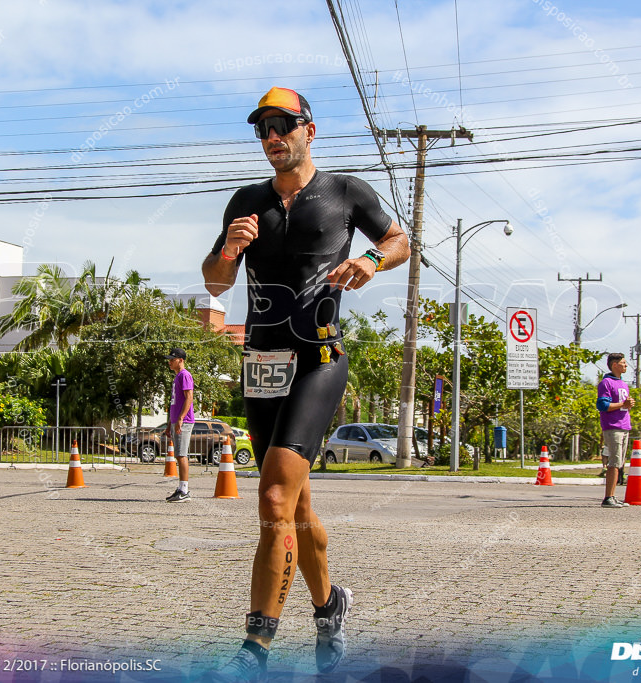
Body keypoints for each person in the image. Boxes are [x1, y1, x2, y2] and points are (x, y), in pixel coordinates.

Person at [201, 87, 409, 679]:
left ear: (308, 130)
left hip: (319, 358)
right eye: (264, 129)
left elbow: (399, 240)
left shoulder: (345, 192)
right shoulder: (245, 202)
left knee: (271, 499)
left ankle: (255, 648)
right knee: (295, 502)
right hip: (263, 364)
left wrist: (372, 261)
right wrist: (229, 250)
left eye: (283, 126)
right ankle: (328, 607)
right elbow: (215, 283)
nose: (273, 138)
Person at [596, 352, 635, 508]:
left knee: (619, 462)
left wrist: (628, 404)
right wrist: (623, 405)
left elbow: (623, 405)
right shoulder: (606, 383)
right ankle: (608, 498)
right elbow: (602, 405)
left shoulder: (624, 384)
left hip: (624, 426)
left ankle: (613, 495)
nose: (626, 365)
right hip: (613, 427)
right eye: (623, 363)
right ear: (614, 365)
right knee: (614, 462)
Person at [163, 347, 195, 503]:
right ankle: (181, 488)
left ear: (180, 360)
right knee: (178, 454)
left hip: (185, 420)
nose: (169, 362)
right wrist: (170, 423)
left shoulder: (185, 375)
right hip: (176, 420)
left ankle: (184, 490)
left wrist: (181, 418)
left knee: (182, 455)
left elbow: (189, 397)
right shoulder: (177, 377)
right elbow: (174, 403)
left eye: (172, 359)